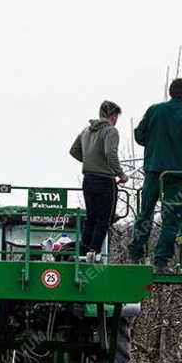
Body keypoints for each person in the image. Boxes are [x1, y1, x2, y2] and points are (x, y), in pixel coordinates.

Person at [128, 78, 182, 273]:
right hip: (176, 174)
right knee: (172, 217)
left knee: (145, 213)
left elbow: (139, 135)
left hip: (153, 170)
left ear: (170, 92)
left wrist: (155, 142)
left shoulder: (154, 110)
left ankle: (135, 255)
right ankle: (161, 262)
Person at [69, 100, 128, 263]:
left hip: (88, 180)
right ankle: (92, 253)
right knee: (104, 220)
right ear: (113, 115)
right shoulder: (111, 131)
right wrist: (121, 174)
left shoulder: (86, 131)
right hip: (105, 181)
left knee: (91, 218)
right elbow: (111, 154)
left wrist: (90, 161)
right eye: (116, 116)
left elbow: (73, 151)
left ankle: (82, 252)